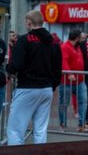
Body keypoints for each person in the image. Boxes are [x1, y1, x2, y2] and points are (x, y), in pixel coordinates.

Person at [6, 10, 62, 146]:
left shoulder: (24, 40)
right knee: (40, 130)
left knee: (15, 129)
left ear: (29, 22)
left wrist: (9, 68)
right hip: (46, 89)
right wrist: (52, 85)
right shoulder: (53, 42)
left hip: (27, 87)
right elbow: (58, 69)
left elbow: (17, 64)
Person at [59, 29, 88, 131]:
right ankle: (63, 124)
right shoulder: (64, 47)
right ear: (77, 38)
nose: (82, 39)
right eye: (81, 38)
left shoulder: (78, 47)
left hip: (79, 80)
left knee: (83, 101)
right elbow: (64, 61)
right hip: (66, 81)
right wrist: (69, 73)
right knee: (64, 103)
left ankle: (81, 124)